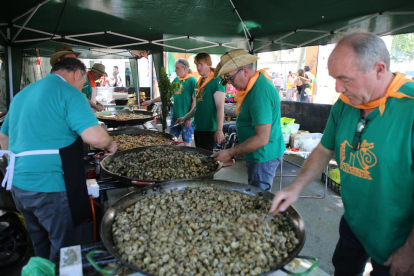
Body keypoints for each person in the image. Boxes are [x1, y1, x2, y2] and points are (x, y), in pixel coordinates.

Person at [270, 32, 414, 276]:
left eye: (344, 79)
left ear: (379, 69)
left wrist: (410, 250)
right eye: (334, 78)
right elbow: (325, 149)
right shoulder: (345, 103)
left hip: (398, 240)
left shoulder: (409, 107)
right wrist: (295, 188)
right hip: (354, 222)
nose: (337, 88)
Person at [0, 58, 117, 262]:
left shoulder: (22, 94)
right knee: (66, 249)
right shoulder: (70, 93)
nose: (82, 86)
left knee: (40, 243)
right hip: (52, 186)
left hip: (18, 185)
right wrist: (110, 144)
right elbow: (95, 138)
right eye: (83, 82)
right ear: (77, 74)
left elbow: (3, 138)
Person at [212, 49, 285, 190]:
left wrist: (229, 152)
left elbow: (262, 138)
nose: (229, 83)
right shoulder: (255, 84)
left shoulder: (260, 92)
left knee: (259, 196)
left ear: (245, 71)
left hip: (262, 155)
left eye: (229, 77)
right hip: (258, 153)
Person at [176, 52, 225, 152]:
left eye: (201, 64)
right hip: (199, 127)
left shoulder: (216, 81)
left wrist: (219, 130)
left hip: (209, 129)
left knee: (206, 159)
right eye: (197, 65)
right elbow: (198, 106)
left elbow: (220, 107)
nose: (198, 67)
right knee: (200, 157)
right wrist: (184, 118)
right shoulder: (201, 81)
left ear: (209, 64)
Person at [142, 59, 197, 145]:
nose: (175, 70)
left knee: (186, 142)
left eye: (177, 68)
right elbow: (166, 96)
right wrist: (151, 101)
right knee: (171, 140)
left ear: (184, 68)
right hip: (175, 116)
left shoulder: (192, 81)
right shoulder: (176, 80)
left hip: (186, 117)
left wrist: (189, 118)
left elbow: (195, 101)